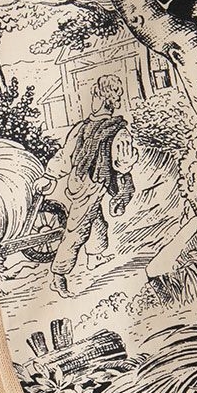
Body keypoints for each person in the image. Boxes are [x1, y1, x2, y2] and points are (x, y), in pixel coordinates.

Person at [44, 74, 138, 297]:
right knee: (78, 228)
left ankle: (95, 256)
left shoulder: (110, 129)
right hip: (89, 183)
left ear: (104, 99)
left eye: (95, 95)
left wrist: (51, 175)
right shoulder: (90, 128)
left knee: (93, 219)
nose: (92, 98)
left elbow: (120, 160)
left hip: (89, 181)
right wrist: (49, 176)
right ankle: (58, 275)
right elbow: (66, 155)